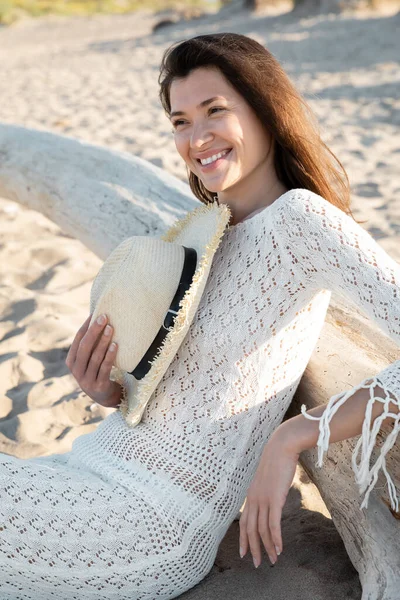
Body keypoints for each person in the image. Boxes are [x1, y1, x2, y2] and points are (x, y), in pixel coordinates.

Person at [0, 32, 399, 599]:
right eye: (180, 121)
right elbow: (174, 388)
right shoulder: (202, 231)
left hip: (151, 521)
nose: (196, 137)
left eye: (215, 111)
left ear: (265, 110)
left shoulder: (302, 222)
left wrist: (295, 436)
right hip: (86, 466)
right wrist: (109, 389)